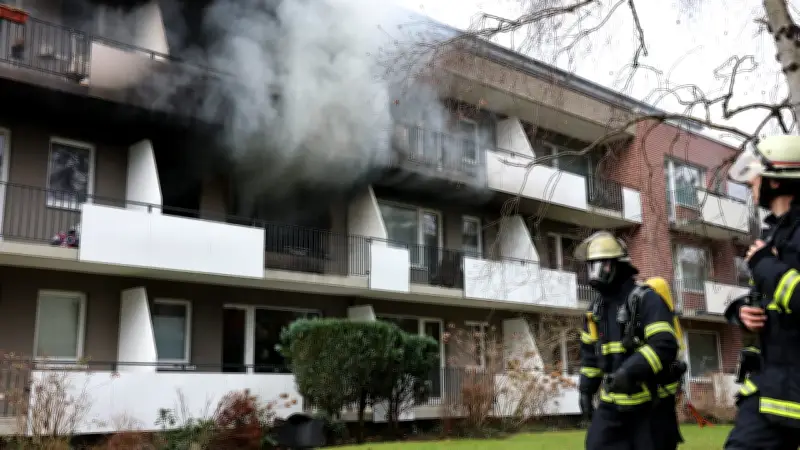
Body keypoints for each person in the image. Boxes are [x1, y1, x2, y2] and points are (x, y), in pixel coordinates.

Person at [722, 135, 800, 450]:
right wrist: (741, 312)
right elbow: (772, 300)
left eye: (757, 174)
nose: (752, 182)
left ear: (777, 181)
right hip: (775, 386)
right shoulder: (773, 236)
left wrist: (765, 265)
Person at [575, 231, 682, 450]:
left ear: (618, 266)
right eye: (591, 267)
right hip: (613, 405)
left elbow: (664, 344)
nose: (595, 275)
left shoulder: (646, 299)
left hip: (651, 405)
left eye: (601, 266)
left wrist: (630, 372)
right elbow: (590, 358)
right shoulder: (595, 311)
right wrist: (586, 391)